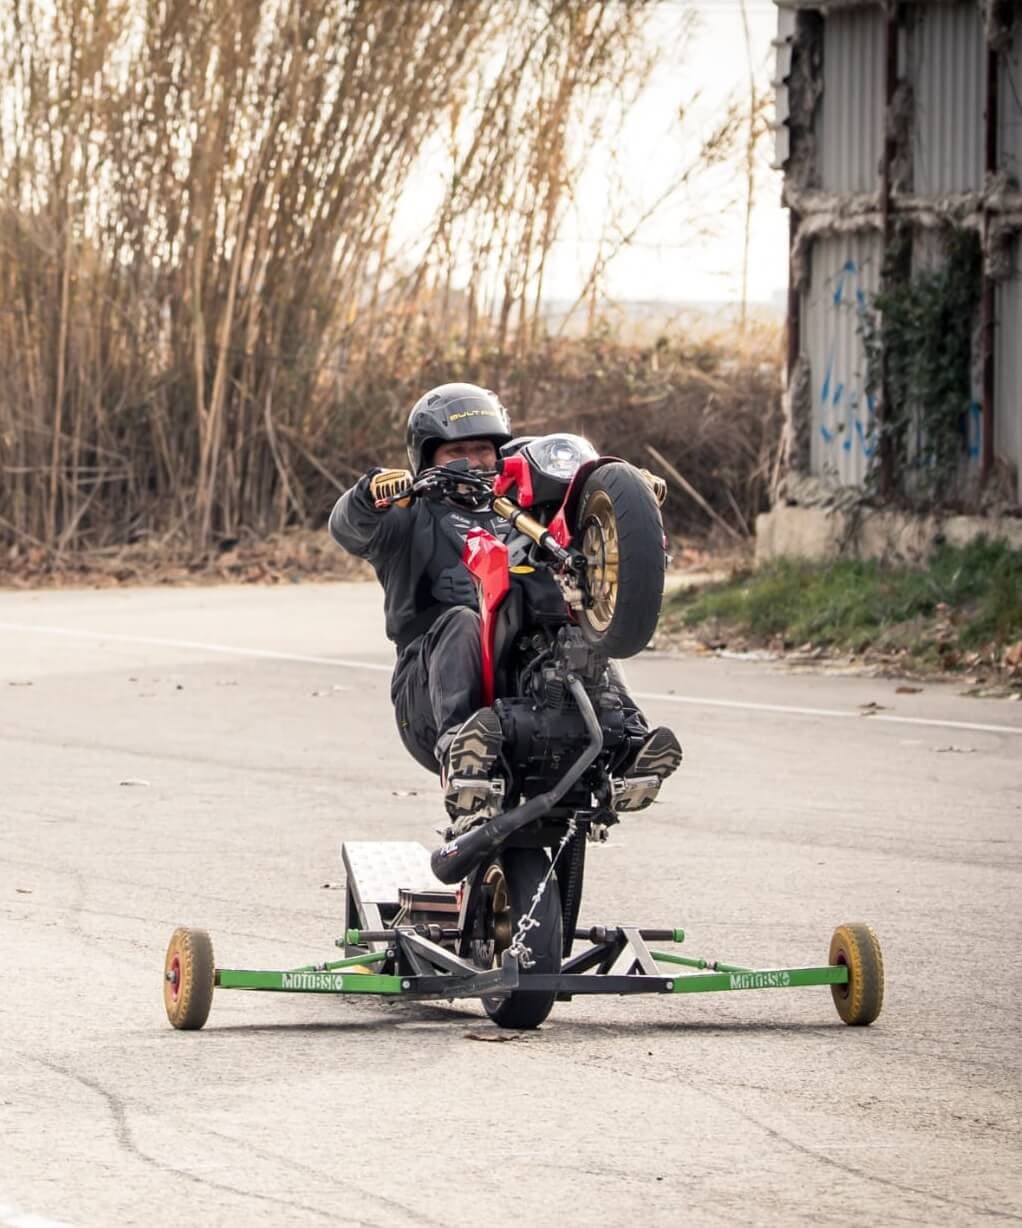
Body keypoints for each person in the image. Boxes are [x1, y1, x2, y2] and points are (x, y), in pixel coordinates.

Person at [328, 382, 681, 826]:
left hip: (524, 688)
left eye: (483, 449)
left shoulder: (526, 513)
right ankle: (461, 753)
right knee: (461, 619)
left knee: (576, 626)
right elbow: (347, 527)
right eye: (457, 451)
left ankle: (630, 744)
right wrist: (369, 494)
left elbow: (585, 525)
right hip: (427, 699)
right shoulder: (406, 514)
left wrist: (628, 496)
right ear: (427, 458)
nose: (474, 461)